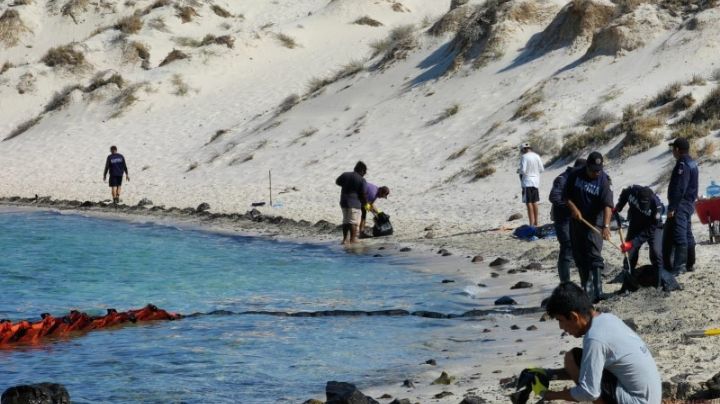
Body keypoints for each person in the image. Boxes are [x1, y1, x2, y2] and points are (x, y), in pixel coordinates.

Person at [518, 282, 662, 403]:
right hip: (647, 397)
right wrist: (548, 374)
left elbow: (589, 392)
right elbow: (591, 370)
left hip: (638, 400)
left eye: (560, 321)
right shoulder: (607, 319)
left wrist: (547, 395)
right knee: (577, 360)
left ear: (574, 317)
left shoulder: (595, 338)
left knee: (572, 359)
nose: (561, 327)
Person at [563, 151, 613, 303]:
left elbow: (608, 206)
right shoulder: (575, 175)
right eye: (593, 170)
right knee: (579, 255)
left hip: (595, 220)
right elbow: (566, 197)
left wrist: (605, 226)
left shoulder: (603, 180)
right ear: (587, 167)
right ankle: (587, 287)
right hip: (577, 220)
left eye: (599, 170)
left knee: (594, 253)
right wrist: (574, 209)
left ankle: (598, 290)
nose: (596, 173)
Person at [614, 185, 680, 292]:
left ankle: (658, 284)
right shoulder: (633, 192)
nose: (644, 205)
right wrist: (619, 206)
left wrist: (633, 242)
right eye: (642, 203)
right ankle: (627, 285)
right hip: (635, 224)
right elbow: (625, 192)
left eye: (646, 204)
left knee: (656, 252)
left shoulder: (657, 207)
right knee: (629, 254)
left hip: (653, 227)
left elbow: (650, 230)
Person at [663, 137, 699, 276]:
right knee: (688, 233)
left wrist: (672, 207)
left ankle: (680, 266)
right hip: (689, 203)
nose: (672, 151)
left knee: (680, 234)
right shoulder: (692, 162)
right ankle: (690, 263)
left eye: (673, 149)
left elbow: (679, 188)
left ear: (677, 150)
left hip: (681, 204)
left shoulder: (682, 165)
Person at [549, 158, 586, 283]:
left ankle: (584, 282)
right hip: (562, 218)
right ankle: (565, 283)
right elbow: (554, 196)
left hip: (575, 219)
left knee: (580, 247)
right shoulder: (562, 179)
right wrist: (571, 208)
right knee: (567, 246)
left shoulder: (580, 179)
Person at [335, 161, 368, 244]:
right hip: (354, 203)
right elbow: (363, 194)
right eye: (365, 172)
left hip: (343, 201)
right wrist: (365, 203)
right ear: (362, 170)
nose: (365, 174)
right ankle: (353, 240)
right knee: (353, 222)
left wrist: (346, 185)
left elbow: (337, 182)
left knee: (345, 221)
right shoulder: (362, 180)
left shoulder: (345, 175)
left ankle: (345, 239)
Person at [518, 143, 544, 227]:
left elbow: (523, 170)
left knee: (528, 202)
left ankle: (531, 223)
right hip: (536, 182)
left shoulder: (524, 157)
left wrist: (519, 171)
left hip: (527, 181)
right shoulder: (537, 156)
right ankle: (536, 222)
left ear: (523, 149)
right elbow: (541, 169)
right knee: (535, 201)